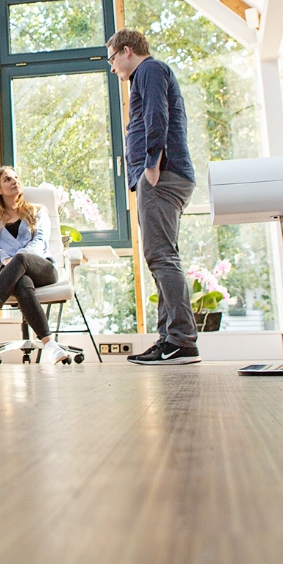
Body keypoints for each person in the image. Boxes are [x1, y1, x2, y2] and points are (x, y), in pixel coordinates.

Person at [107, 28, 199, 365]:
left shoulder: (150, 70)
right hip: (162, 177)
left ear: (127, 51)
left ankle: (181, 341)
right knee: (161, 257)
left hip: (162, 176)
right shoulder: (147, 74)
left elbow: (155, 115)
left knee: (161, 257)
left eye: (112, 58)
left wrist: (151, 164)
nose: (112, 66)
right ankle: (169, 340)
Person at [0, 166, 68, 366]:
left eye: (16, 178)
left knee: (21, 260)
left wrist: (16, 258)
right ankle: (50, 344)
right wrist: (2, 256)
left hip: (43, 269)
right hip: (14, 277)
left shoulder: (37, 212)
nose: (14, 181)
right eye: (7, 179)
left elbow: (39, 242)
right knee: (22, 282)